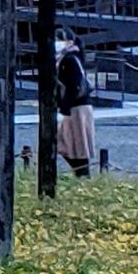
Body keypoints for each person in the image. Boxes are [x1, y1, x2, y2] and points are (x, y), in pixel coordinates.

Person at [53, 34, 95, 176]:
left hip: (76, 107)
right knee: (72, 141)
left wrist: (64, 107)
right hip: (76, 106)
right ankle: (81, 173)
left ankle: (82, 173)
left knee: (74, 142)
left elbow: (74, 85)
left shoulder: (69, 59)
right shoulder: (69, 58)